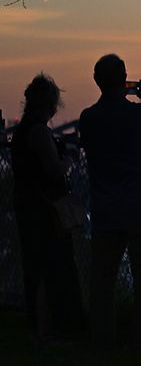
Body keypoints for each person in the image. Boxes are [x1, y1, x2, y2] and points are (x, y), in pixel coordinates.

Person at [78, 54, 141, 346]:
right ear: (125, 80)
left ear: (97, 81)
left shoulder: (88, 118)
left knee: (103, 279)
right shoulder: (140, 115)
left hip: (106, 210)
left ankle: (103, 337)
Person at [9, 74, 86, 340]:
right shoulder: (40, 131)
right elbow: (53, 170)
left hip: (28, 204)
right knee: (51, 264)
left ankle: (42, 325)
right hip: (45, 209)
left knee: (36, 263)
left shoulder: (21, 131)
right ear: (50, 104)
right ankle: (48, 328)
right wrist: (70, 158)